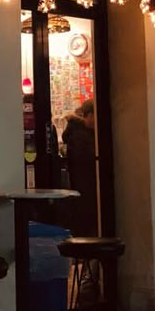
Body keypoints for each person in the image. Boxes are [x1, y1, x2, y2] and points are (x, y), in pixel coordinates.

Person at [61, 98, 98, 237]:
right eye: (96, 115)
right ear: (88, 116)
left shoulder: (77, 133)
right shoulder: (82, 136)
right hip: (86, 189)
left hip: (82, 189)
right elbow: (86, 164)